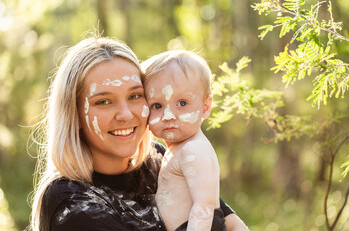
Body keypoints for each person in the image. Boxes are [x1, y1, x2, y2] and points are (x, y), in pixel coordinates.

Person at [29, 36, 247, 231]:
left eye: (135, 96)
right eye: (103, 101)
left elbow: (231, 223)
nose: (125, 114)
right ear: (74, 115)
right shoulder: (74, 207)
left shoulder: (159, 160)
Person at [141, 51, 248, 231]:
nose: (168, 116)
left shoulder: (194, 149)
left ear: (205, 108)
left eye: (182, 103)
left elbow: (204, 206)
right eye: (157, 106)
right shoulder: (177, 148)